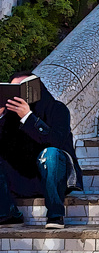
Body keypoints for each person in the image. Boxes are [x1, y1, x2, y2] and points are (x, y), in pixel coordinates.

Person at [0, 73, 83, 228]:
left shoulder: (57, 109)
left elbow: (55, 141)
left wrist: (28, 117)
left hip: (51, 176)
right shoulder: (8, 118)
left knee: (50, 154)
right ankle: (8, 213)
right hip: (20, 179)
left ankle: (55, 215)